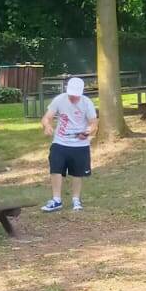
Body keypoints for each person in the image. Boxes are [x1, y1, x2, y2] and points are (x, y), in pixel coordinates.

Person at [41, 77, 98, 212]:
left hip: (80, 144)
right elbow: (46, 117)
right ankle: (56, 200)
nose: (73, 97)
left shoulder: (86, 103)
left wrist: (88, 131)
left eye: (76, 95)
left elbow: (94, 123)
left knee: (77, 173)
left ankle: (76, 200)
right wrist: (47, 126)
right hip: (60, 141)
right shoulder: (60, 99)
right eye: (71, 94)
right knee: (55, 168)